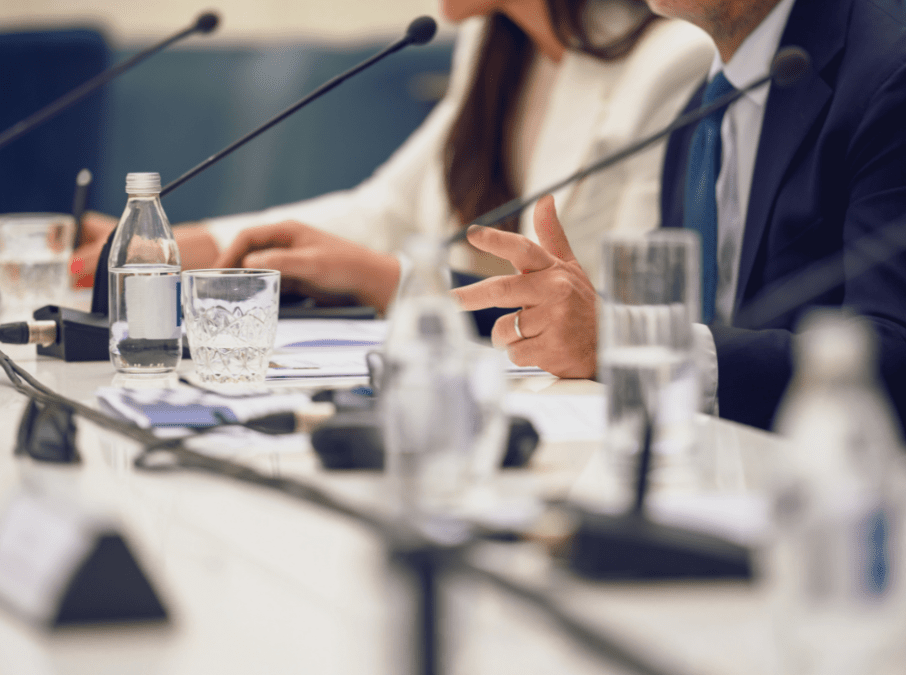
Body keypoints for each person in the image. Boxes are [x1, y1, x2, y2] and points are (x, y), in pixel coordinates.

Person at [72, 0, 714, 315]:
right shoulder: (496, 47)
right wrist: (174, 245)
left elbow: (616, 311)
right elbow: (385, 209)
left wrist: (387, 280)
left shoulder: (670, 63)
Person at [453, 0, 906, 432]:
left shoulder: (888, 76)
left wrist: (622, 339)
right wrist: (557, 311)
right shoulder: (700, 110)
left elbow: (894, 355)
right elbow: (664, 314)